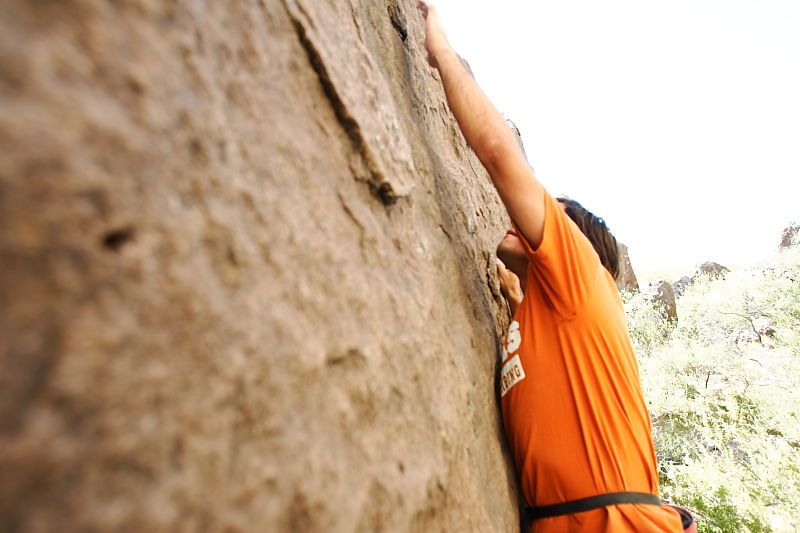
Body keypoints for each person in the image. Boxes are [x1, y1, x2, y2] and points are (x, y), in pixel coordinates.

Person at [417, 3, 693, 532]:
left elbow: (499, 153)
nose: (520, 218)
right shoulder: (549, 312)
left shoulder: (581, 272)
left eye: (550, 217)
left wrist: (440, 51)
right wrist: (512, 291)